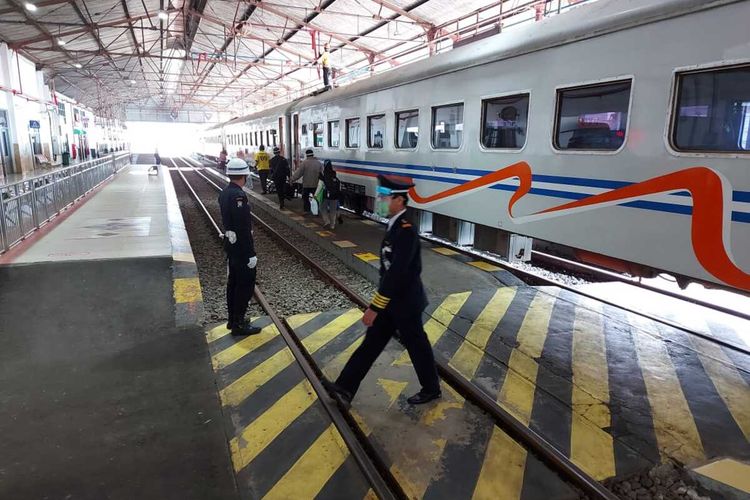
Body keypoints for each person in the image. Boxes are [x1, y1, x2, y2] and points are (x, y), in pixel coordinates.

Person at [324, 175, 441, 406]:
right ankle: (344, 388)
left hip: (406, 303)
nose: (379, 200)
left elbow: (397, 272)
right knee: (371, 344)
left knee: (417, 345)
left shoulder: (406, 229)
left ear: (398, 200)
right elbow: (388, 272)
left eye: (383, 197)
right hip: (392, 302)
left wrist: (374, 307)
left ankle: (431, 388)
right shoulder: (395, 224)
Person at [218, 158, 262, 336]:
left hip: (231, 246)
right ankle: (239, 324)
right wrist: (250, 254)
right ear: (243, 175)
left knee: (233, 283)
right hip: (241, 249)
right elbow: (243, 227)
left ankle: (233, 320)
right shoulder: (238, 196)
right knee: (244, 285)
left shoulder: (225, 192)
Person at [291, 149, 323, 213]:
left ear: (306, 155)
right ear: (313, 154)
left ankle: (307, 210)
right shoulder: (319, 163)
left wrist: (292, 179)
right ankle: (316, 211)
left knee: (305, 198)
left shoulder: (304, 163)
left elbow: (299, 173)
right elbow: (322, 174)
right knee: (316, 198)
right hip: (316, 184)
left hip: (307, 184)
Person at [319, 160, 341, 230]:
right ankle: (332, 225)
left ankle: (326, 221)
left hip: (326, 195)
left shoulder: (323, 174)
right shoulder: (334, 173)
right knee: (333, 210)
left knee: (322, 208)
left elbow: (320, 185)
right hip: (334, 196)